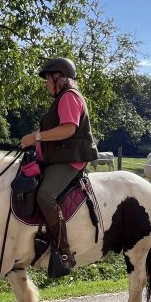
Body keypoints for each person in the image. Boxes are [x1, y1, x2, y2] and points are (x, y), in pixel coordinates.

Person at [20, 57, 98, 277]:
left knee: (45, 195)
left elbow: (68, 130)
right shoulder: (61, 98)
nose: (45, 83)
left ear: (59, 78)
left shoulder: (69, 97)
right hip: (59, 158)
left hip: (70, 160)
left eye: (48, 78)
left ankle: (64, 252)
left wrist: (35, 137)